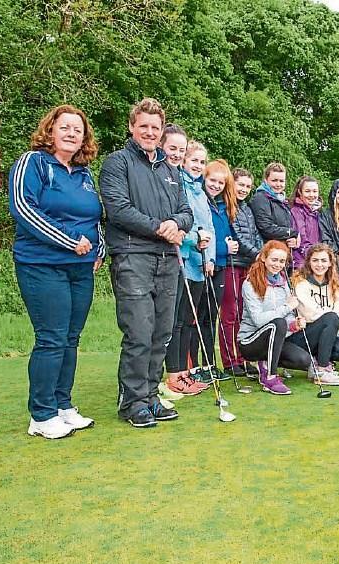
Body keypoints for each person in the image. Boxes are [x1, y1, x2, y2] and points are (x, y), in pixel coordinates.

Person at [9, 104, 103, 439]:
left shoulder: (83, 173)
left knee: (71, 338)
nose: (71, 133)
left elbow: (92, 217)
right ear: (50, 130)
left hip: (80, 269)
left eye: (78, 130)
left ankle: (63, 406)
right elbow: (22, 207)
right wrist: (67, 241)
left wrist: (99, 247)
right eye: (64, 127)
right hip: (42, 265)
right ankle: (42, 414)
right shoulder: (31, 163)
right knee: (51, 338)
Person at [99, 97, 193, 428]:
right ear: (132, 127)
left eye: (155, 127)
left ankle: (151, 396)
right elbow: (119, 209)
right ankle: (132, 401)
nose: (150, 132)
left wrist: (177, 225)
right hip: (132, 256)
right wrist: (159, 227)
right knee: (139, 331)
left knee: (161, 332)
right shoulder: (117, 163)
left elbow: (186, 211)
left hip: (167, 259)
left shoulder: (170, 170)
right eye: (144, 127)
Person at [162, 140, 214, 397]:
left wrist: (210, 258)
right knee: (176, 322)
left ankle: (184, 372)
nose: (198, 165)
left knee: (186, 321)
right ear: (184, 161)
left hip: (198, 264)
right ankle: (175, 373)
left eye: (202, 162)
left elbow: (209, 227)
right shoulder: (178, 184)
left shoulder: (201, 191)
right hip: (181, 258)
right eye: (194, 160)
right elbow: (182, 221)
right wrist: (195, 239)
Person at [237, 241, 321, 394]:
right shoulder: (250, 283)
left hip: (276, 337)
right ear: (263, 258)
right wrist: (287, 308)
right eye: (274, 260)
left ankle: (265, 363)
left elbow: (287, 316)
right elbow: (258, 320)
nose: (278, 264)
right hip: (250, 341)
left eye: (282, 261)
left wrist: (293, 325)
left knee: (303, 360)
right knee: (278, 322)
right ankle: (270, 377)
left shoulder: (283, 282)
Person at [188, 159, 238, 383]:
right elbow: (205, 236)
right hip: (201, 263)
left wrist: (229, 247)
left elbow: (226, 235)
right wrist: (223, 248)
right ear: (204, 178)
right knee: (195, 317)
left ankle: (209, 363)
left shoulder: (222, 207)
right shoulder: (199, 200)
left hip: (220, 266)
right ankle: (193, 366)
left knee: (210, 317)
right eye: (213, 180)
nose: (216, 185)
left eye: (221, 182)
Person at [291, 244, 339, 385]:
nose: (320, 265)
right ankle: (322, 370)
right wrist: (334, 316)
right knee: (330, 317)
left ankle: (318, 363)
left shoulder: (335, 286)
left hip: (326, 335)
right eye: (315, 260)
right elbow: (310, 314)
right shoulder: (301, 284)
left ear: (330, 263)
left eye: (324, 261)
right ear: (309, 262)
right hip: (304, 336)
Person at [220, 167, 258, 378]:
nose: (243, 189)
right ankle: (229, 360)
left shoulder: (247, 208)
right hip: (231, 263)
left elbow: (254, 235)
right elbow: (238, 238)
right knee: (230, 313)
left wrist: (261, 252)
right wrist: (259, 255)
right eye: (240, 184)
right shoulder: (226, 206)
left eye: (247, 186)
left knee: (243, 313)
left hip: (246, 265)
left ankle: (242, 358)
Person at [289, 176, 338, 269]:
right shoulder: (296, 211)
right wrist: (315, 256)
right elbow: (302, 238)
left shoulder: (317, 212)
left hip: (316, 262)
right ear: (300, 192)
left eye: (315, 191)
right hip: (301, 263)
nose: (312, 195)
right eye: (307, 191)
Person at [250, 162, 299, 251]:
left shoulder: (283, 201)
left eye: (281, 181)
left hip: (282, 251)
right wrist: (292, 232)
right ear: (265, 180)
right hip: (267, 251)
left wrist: (293, 239)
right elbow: (266, 228)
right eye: (274, 180)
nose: (278, 184)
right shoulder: (260, 198)